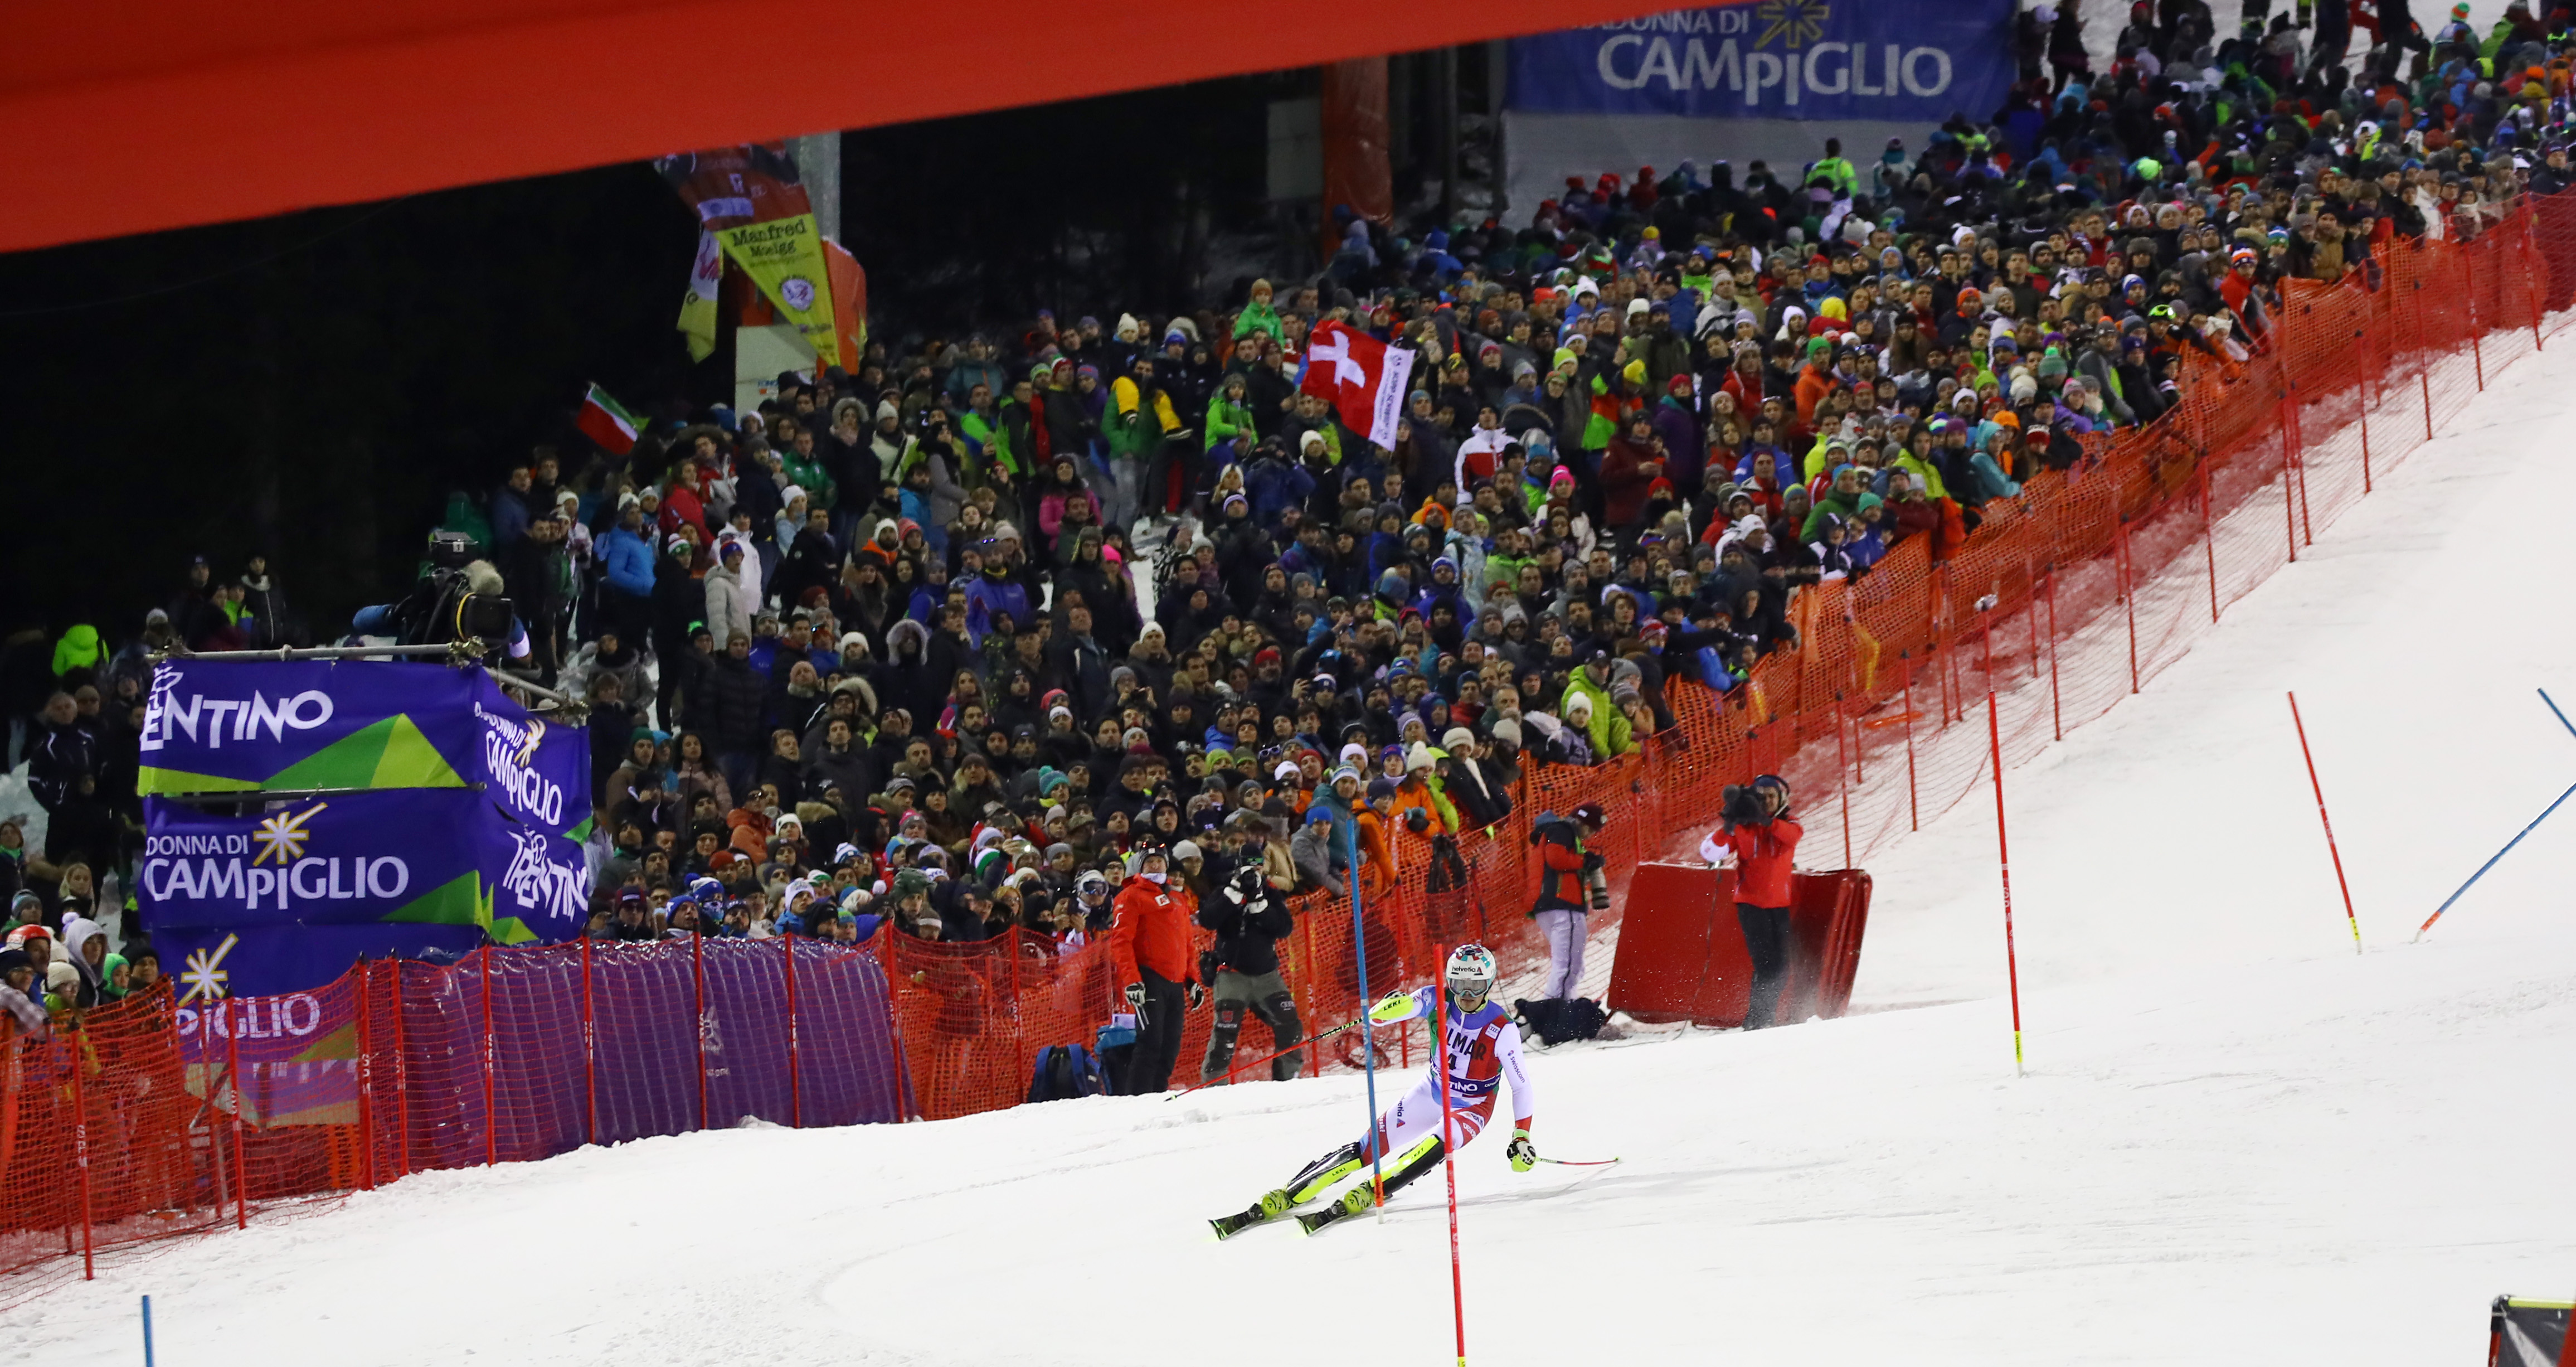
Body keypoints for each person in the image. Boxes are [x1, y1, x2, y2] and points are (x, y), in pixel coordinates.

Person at [1209, 944, 1537, 1237]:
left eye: (1475, 986)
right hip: (1434, 1089)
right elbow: (1384, 1017)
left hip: (1474, 1105)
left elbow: (1521, 1086)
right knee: (1369, 1146)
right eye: (1459, 984)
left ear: (1489, 984)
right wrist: (1385, 1010)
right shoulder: (1437, 998)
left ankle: (1374, 1189)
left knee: (1439, 1141)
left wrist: (1521, 1136)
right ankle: (1292, 1192)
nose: (1466, 994)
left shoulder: (1502, 1028)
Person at [1702, 774, 1803, 1029]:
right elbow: (1710, 852)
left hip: (1779, 905)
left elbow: (1791, 837)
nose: (1767, 801)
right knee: (1767, 965)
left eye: (1772, 796)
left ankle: (1762, 1017)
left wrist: (1764, 820)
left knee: (1781, 966)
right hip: (1751, 905)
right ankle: (1759, 1020)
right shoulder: (1744, 828)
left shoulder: (1789, 823)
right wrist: (1730, 823)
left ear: (1782, 798)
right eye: (1762, 797)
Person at [1196, 865, 1303, 1084]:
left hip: (1267, 976)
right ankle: (1214, 1086)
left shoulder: (1271, 893)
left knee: (1290, 1024)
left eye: (1257, 866)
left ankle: (1289, 1079)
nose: (1252, 873)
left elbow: (1284, 928)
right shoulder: (1224, 891)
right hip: (1232, 975)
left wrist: (1260, 904)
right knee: (1226, 1032)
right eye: (1248, 866)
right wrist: (1232, 895)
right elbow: (1208, 920)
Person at [1109, 845, 1201, 1094]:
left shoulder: (1178, 899)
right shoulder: (1131, 896)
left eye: (1160, 861)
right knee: (1150, 1043)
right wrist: (1132, 981)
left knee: (1170, 1047)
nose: (1156, 866)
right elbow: (1121, 941)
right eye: (1150, 862)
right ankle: (1137, 1100)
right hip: (1149, 977)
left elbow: (1187, 944)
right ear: (1140, 867)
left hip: (1175, 981)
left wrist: (1192, 979)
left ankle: (1158, 1096)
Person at [1527, 802, 1607, 1000]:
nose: (1591, 835)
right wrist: (1585, 861)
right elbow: (1556, 859)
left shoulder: (1558, 832)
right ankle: (1556, 1015)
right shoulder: (1562, 830)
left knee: (1572, 967)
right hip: (1563, 905)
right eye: (1591, 828)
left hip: (1551, 905)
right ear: (1582, 822)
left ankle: (1562, 1009)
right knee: (1568, 968)